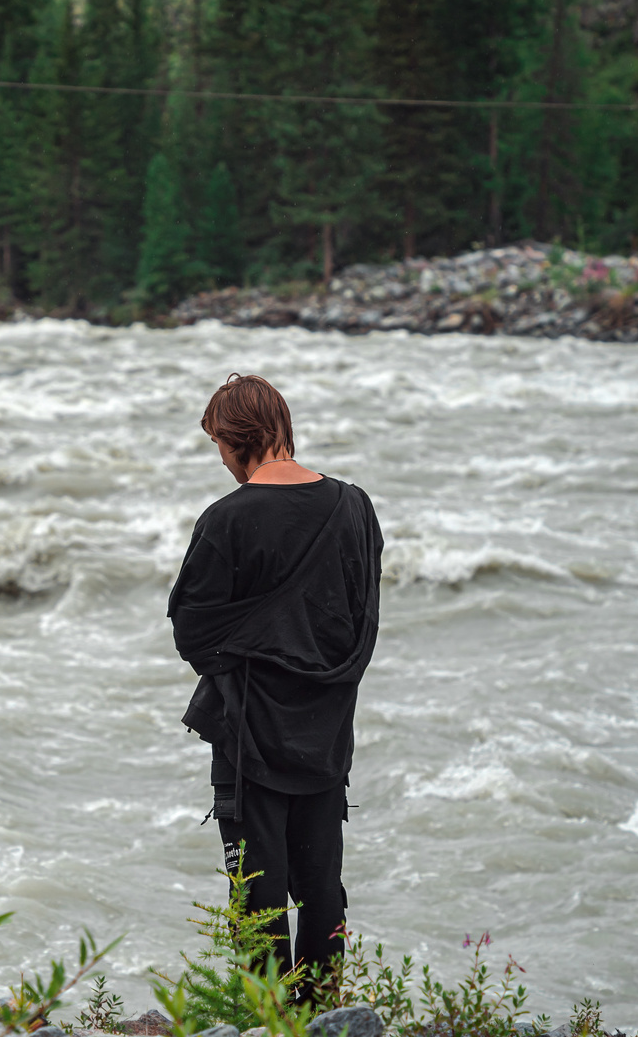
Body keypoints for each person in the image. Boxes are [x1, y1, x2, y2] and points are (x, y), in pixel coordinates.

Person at [167, 373, 383, 992]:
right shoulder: (354, 507)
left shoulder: (225, 520)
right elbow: (361, 622)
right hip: (327, 730)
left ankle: (265, 1020)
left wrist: (252, 658)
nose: (221, 460)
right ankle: (327, 1018)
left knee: (256, 898)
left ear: (238, 439)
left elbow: (193, 634)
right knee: (321, 888)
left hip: (248, 738)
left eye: (218, 444)